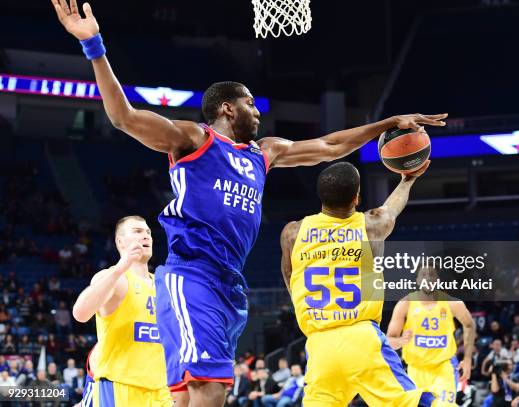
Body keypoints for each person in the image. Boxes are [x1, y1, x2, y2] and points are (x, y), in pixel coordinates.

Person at [51, 1, 447, 405]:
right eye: (250, 104)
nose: (257, 112)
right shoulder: (195, 139)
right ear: (227, 108)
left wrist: (387, 123)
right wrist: (94, 45)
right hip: (192, 274)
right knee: (210, 388)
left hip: (229, 282)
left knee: (189, 395)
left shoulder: (264, 153)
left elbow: (330, 145)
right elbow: (124, 117)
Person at [279, 161, 435, 406]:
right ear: (356, 198)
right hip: (361, 336)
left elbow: (290, 276)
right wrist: (408, 179)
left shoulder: (293, 232)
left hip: (320, 344)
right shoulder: (371, 225)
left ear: (321, 196)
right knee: (413, 401)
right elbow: (390, 209)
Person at [71, 216, 172, 406]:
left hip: (161, 391)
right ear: (120, 241)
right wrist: (120, 267)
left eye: (148, 232)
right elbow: (80, 313)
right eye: (137, 231)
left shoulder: (163, 284)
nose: (146, 236)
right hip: (121, 387)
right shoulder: (115, 278)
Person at [387, 266, 476, 405]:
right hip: (416, 370)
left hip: (443, 368)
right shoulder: (405, 304)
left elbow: (469, 325)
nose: (428, 279)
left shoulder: (452, 303)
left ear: (437, 280)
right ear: (417, 280)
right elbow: (389, 340)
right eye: (423, 275)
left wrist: (468, 358)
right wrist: (401, 341)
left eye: (432, 275)